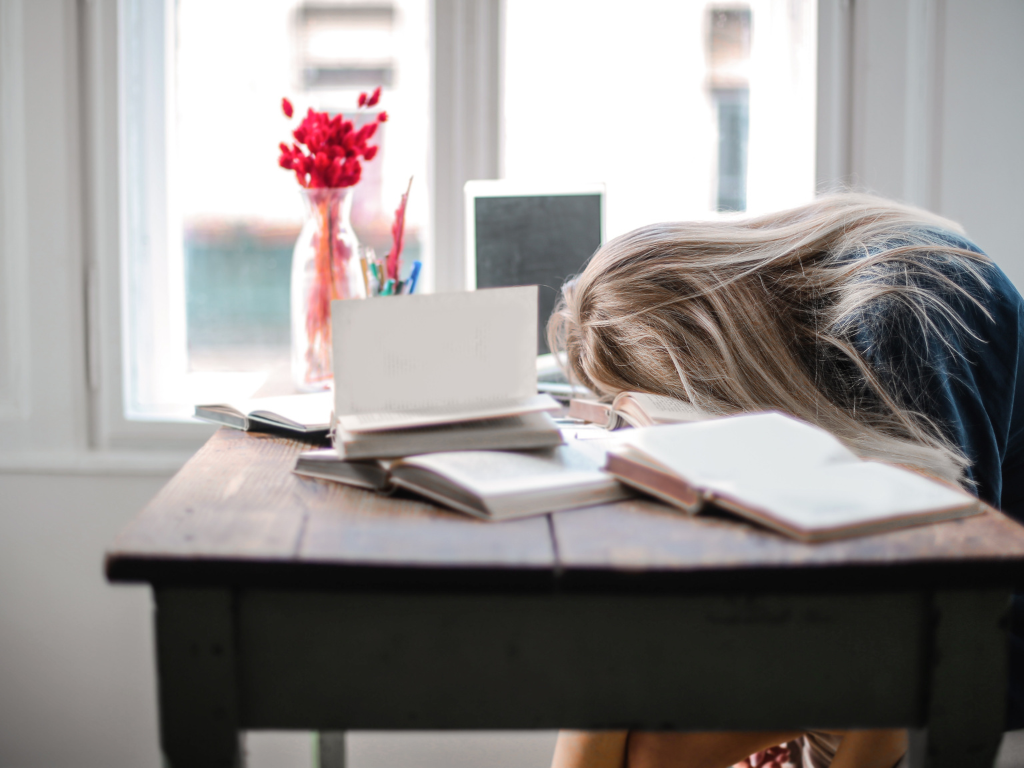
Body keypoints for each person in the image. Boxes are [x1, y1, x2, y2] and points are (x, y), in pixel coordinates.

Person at [545, 193, 1024, 768]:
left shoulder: (902, 306)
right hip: (893, 614)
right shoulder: (823, 303)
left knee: (644, 740)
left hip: (986, 627)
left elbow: (932, 606)